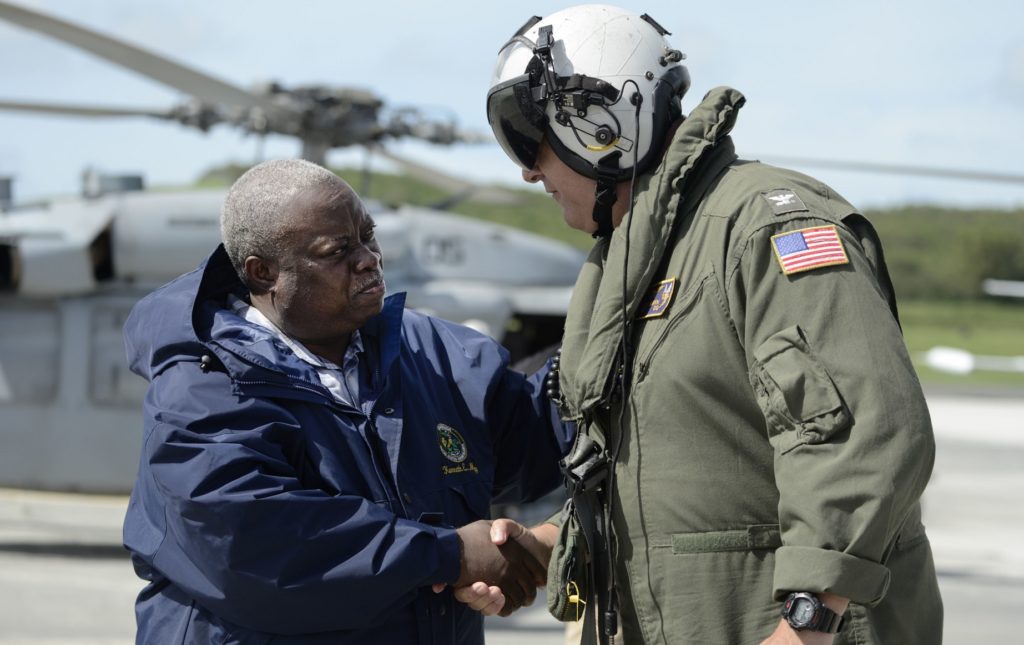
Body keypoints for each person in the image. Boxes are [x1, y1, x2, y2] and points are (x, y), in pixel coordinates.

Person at [470, 5, 944, 644]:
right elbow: (667, 478)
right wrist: (549, 544)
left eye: (533, 140)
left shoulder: (765, 228)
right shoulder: (626, 263)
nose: (530, 171)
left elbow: (866, 437)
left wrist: (806, 624)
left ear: (601, 126)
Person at [121, 158, 571, 644]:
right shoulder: (202, 389)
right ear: (263, 272)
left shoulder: (432, 354)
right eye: (336, 251)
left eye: (368, 235)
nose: (368, 258)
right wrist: (454, 556)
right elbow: (254, 542)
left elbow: (535, 434)